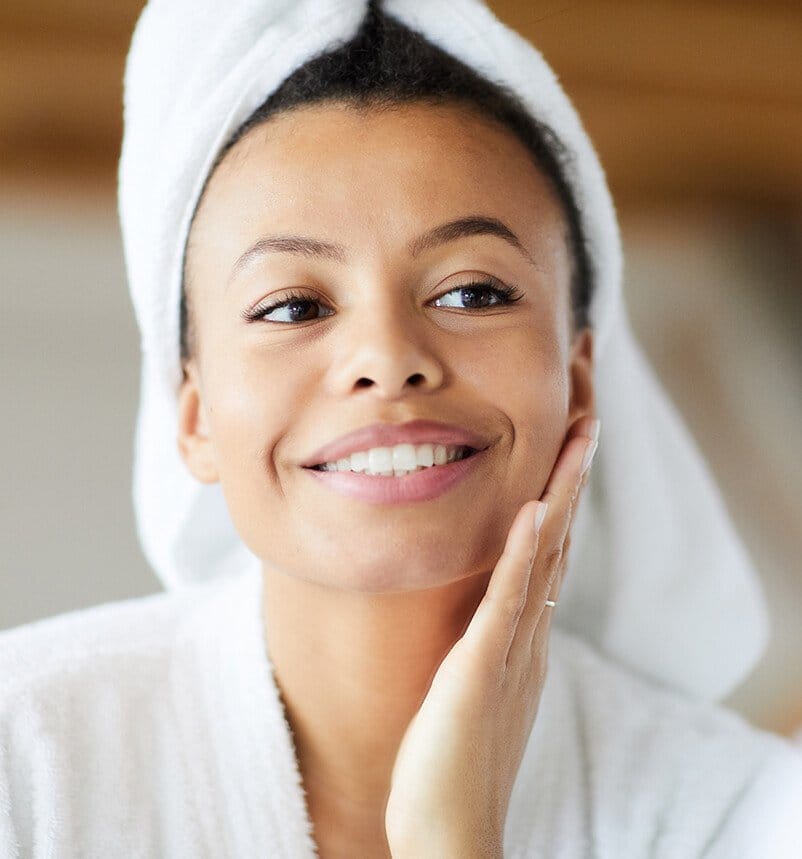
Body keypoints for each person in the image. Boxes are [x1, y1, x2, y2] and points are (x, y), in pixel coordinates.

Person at [2, 1, 801, 856]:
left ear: (577, 380)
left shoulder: (736, 813)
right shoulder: (28, 759)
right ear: (191, 417)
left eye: (471, 292)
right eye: (293, 305)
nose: (387, 358)